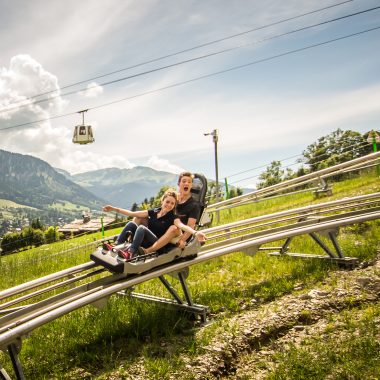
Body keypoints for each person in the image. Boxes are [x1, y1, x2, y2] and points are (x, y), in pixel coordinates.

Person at [142, 171, 206, 254]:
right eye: (184, 181)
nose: (186, 183)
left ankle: (147, 251)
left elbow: (191, 225)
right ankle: (127, 243)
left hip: (176, 234)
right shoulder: (172, 199)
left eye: (189, 182)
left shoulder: (194, 205)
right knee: (140, 217)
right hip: (163, 228)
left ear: (191, 185)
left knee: (173, 228)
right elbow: (160, 210)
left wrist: (182, 240)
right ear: (179, 184)